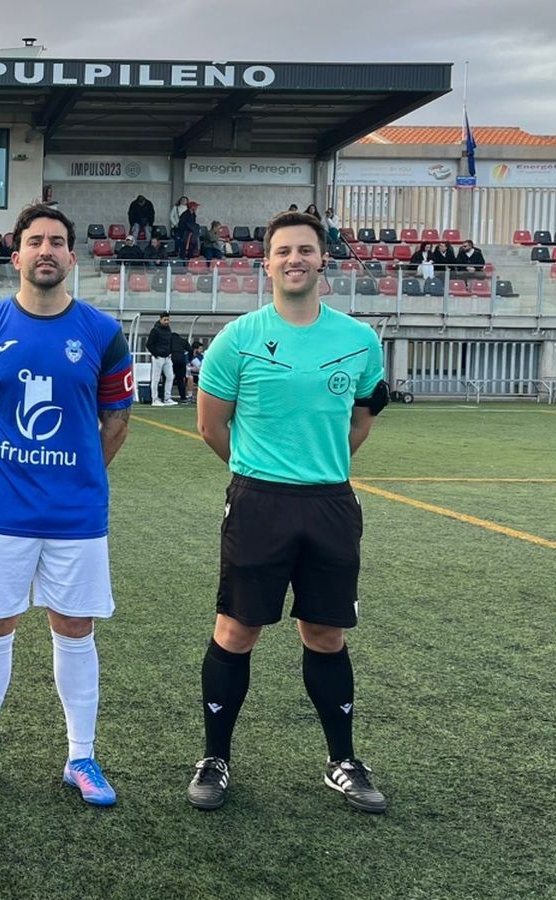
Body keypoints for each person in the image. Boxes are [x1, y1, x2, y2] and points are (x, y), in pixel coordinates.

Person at [189, 210, 388, 814]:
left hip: (330, 503)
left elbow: (363, 417)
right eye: (283, 251)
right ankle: (215, 758)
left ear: (322, 259)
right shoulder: (238, 338)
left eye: (305, 249)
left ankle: (343, 761)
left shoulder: (359, 340)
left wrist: (319, 465)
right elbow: (210, 425)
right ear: (267, 262)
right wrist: (260, 469)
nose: (294, 259)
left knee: (326, 634)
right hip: (258, 503)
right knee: (237, 630)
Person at [0, 203, 135, 806]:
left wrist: (77, 478)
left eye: (57, 241)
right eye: (35, 241)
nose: (46, 250)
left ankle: (82, 757)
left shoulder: (102, 333)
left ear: (72, 257)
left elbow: (116, 421)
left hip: (76, 518)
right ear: (16, 254)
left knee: (75, 629)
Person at [147, 314, 178, 406]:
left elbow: (170, 342)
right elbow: (149, 344)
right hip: (158, 357)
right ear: (160, 320)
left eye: (168, 320)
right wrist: (155, 354)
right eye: (165, 320)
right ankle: (155, 399)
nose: (167, 322)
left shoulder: (168, 329)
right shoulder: (155, 330)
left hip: (167, 357)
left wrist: (170, 352)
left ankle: (167, 398)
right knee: (155, 378)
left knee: (170, 376)